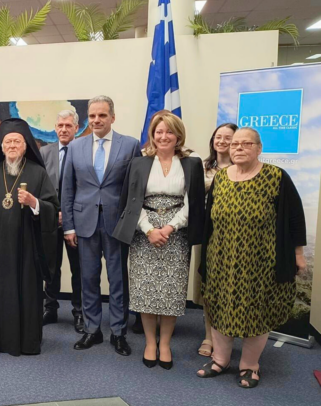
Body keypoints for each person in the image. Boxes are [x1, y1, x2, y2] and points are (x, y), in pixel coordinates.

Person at [197, 127, 306, 389]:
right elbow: (209, 218)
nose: (238, 148)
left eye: (246, 144)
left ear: (259, 148)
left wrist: (298, 254)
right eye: (235, 144)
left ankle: (249, 366)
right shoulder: (221, 178)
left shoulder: (276, 176)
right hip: (221, 259)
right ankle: (220, 359)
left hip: (262, 262)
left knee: (257, 313)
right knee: (221, 308)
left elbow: (294, 217)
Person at [113, 111, 205, 370]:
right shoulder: (139, 163)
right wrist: (149, 230)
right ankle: (150, 343)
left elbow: (193, 202)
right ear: (152, 135)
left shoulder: (192, 163)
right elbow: (132, 201)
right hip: (144, 236)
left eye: (169, 131)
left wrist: (169, 228)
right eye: (158, 132)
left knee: (171, 293)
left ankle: (165, 343)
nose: (163, 136)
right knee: (146, 291)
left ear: (178, 135)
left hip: (176, 236)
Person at [0, 119, 59, 356]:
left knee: (27, 293)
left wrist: (34, 203)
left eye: (16, 141)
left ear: (25, 145)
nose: (11, 145)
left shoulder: (38, 173)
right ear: (0, 146)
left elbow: (52, 208)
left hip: (27, 248)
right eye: (7, 141)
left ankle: (27, 341)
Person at [62, 95, 141, 356]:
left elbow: (135, 190)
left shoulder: (130, 145)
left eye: (102, 115)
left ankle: (118, 333)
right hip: (84, 224)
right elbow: (68, 189)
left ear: (112, 117)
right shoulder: (75, 147)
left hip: (116, 225)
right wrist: (69, 227)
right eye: (93, 115)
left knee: (118, 280)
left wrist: (130, 224)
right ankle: (92, 330)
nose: (97, 120)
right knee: (88, 279)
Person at [191, 122, 237, 358]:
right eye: (218, 137)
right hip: (207, 233)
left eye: (227, 137)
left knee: (231, 286)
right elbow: (193, 194)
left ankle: (229, 335)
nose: (221, 141)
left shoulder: (242, 167)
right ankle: (209, 336)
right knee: (208, 286)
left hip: (235, 237)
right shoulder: (202, 166)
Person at [39, 110, 84, 333]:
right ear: (55, 128)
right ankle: (50, 308)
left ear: (77, 128)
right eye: (60, 125)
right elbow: (40, 186)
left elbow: (86, 188)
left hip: (76, 222)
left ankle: (79, 312)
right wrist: (54, 212)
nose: (63, 129)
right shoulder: (44, 152)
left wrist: (68, 214)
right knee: (50, 268)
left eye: (68, 125)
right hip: (50, 220)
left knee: (79, 268)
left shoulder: (83, 151)